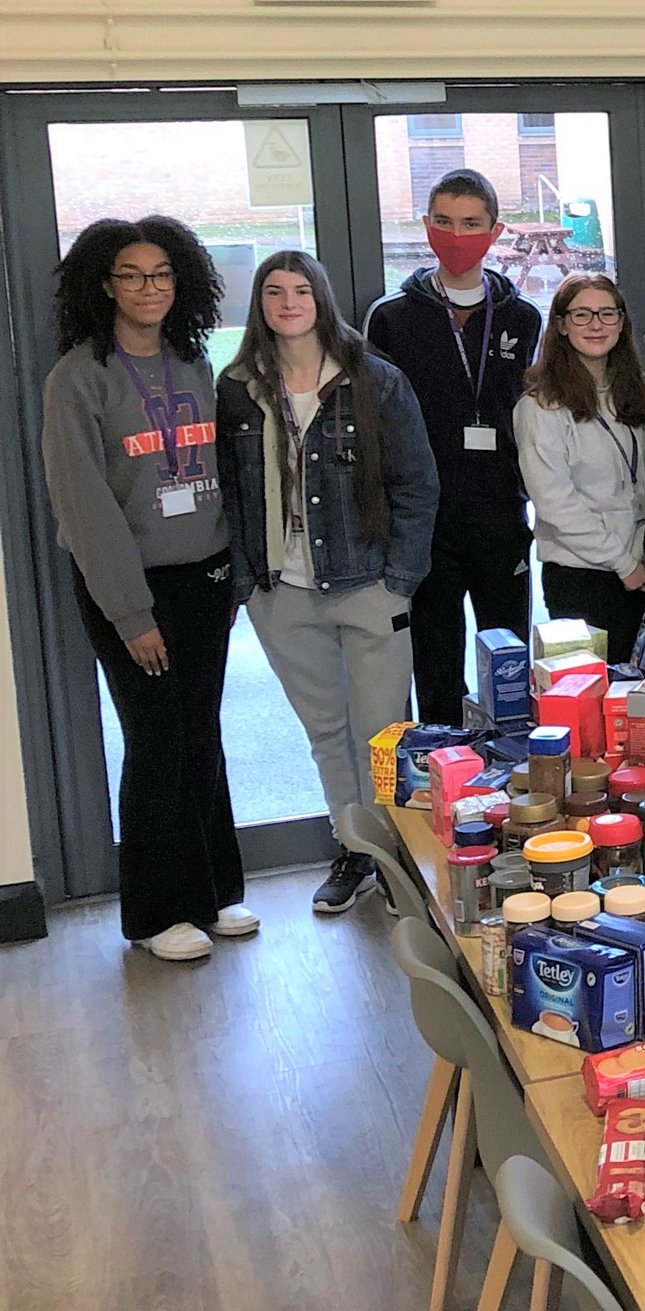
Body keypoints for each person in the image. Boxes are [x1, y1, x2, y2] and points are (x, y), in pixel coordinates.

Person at [41, 215, 255, 962]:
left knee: (202, 734)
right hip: (132, 591)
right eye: (130, 275)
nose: (147, 288)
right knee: (156, 740)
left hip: (206, 577)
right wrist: (131, 612)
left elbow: (221, 476)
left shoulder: (193, 360)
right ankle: (155, 912)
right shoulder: (78, 377)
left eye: (161, 274)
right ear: (104, 285)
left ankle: (217, 894)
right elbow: (84, 504)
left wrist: (234, 574)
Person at [219, 252, 438, 915]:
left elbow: (417, 488)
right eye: (275, 291)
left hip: (368, 583)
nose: (289, 302)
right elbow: (228, 493)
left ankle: (396, 859)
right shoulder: (237, 387)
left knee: (384, 733)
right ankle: (355, 852)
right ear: (259, 305)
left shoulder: (376, 381)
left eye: (302, 289)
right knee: (325, 731)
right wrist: (248, 584)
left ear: (322, 298)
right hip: (281, 591)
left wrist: (399, 582)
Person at [366, 168, 541, 725]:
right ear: (426, 227)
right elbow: (376, 424)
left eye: (471, 223)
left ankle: (511, 782)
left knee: (509, 666)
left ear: (494, 231)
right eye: (444, 222)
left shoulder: (525, 318)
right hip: (426, 523)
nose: (457, 234)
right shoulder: (391, 318)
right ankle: (443, 788)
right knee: (436, 667)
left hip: (501, 517)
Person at [513, 272, 645, 664]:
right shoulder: (540, 406)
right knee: (592, 705)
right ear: (560, 325)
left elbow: (644, 484)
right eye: (581, 315)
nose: (596, 325)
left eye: (607, 314)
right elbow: (556, 504)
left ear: (622, 323)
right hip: (582, 577)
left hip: (642, 572)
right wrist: (623, 563)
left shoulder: (633, 394)